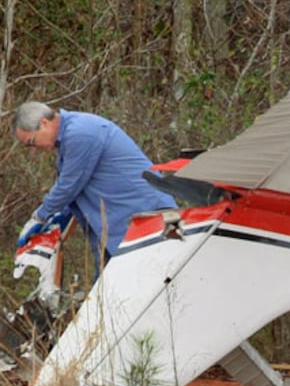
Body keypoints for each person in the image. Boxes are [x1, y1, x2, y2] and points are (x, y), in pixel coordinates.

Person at [12, 102, 176, 267]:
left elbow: (69, 185)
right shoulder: (70, 137)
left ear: (44, 123)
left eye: (32, 142)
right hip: (123, 222)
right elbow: (78, 188)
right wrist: (59, 215)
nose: (34, 149)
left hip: (145, 216)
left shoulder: (80, 133)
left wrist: (39, 217)